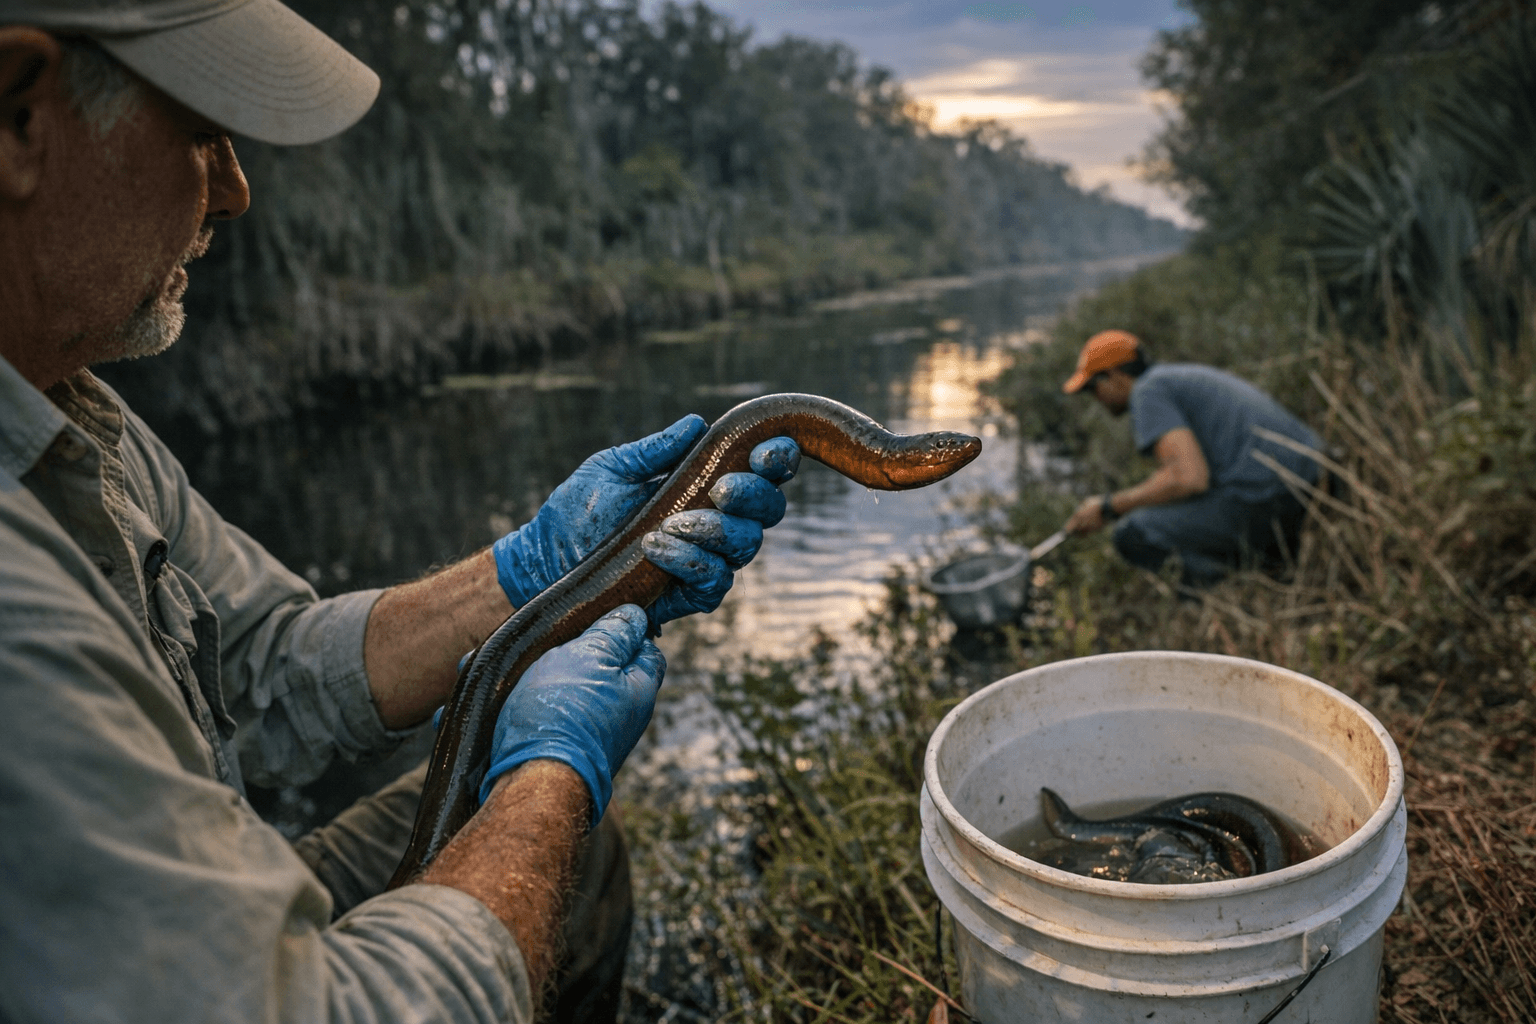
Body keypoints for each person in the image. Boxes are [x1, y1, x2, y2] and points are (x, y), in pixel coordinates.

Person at [0, 3, 800, 1021]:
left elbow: (262, 666)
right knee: (554, 834)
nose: (237, 192)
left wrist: (531, 569)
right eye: (202, 132)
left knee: (580, 857)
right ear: (18, 117)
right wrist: (549, 771)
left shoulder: (73, 415)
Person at [1061, 330, 1322, 587]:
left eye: (1093, 388)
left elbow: (1189, 479)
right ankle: (1277, 571)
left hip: (1270, 497)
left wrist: (1108, 507)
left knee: (1134, 534)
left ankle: (1226, 598)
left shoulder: (1147, 392)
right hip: (1313, 481)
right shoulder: (1174, 377)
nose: (1096, 398)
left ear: (1114, 376)